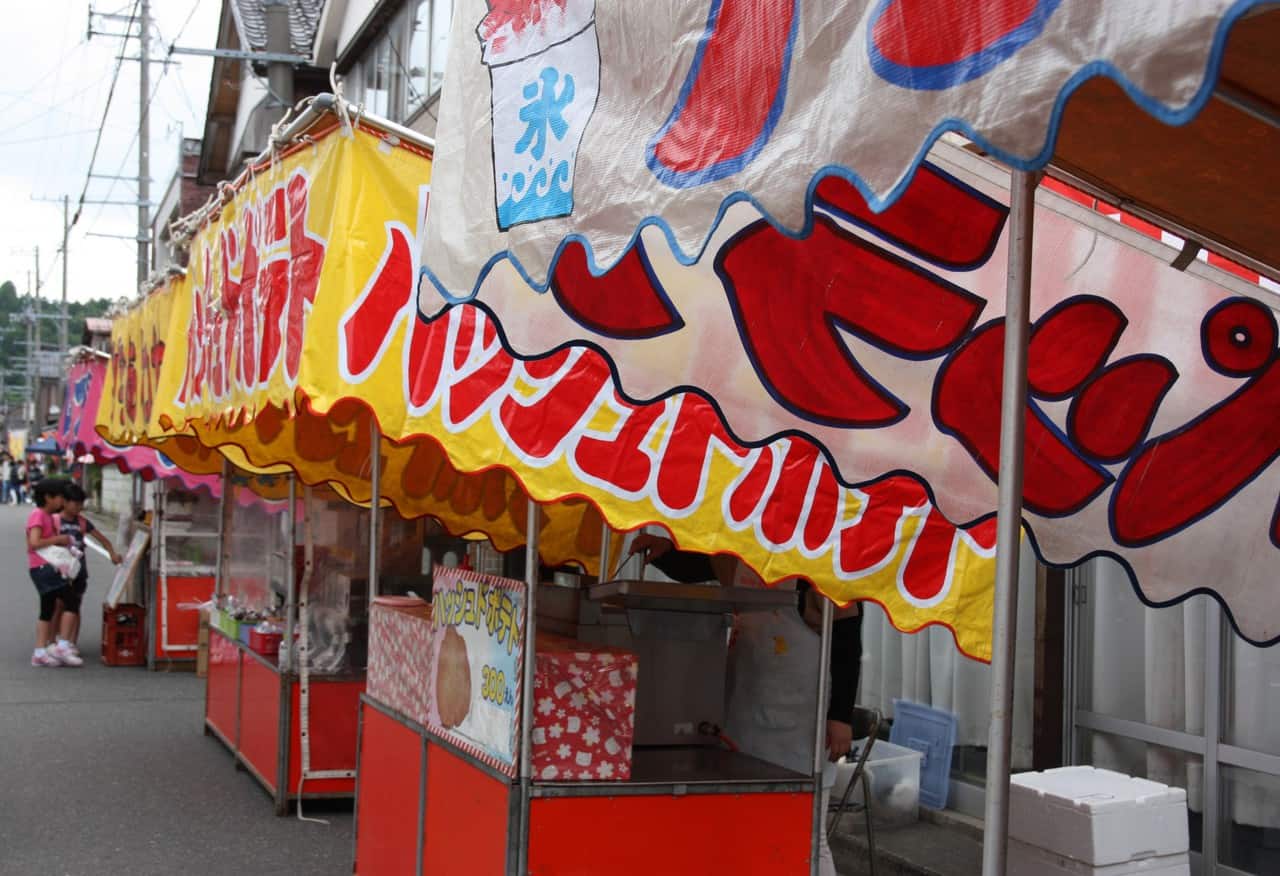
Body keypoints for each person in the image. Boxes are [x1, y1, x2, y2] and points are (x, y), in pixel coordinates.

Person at [630, 533, 862, 876]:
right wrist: (667, 552)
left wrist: (840, 717)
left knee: (808, 837)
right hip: (746, 709)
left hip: (801, 724)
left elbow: (847, 645)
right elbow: (699, 565)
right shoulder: (741, 550)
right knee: (751, 822)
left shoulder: (820, 559)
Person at [53, 483, 122, 654]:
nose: (78, 508)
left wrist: (113, 554)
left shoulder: (83, 522)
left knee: (75, 605)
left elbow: (103, 540)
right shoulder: (55, 521)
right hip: (59, 570)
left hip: (78, 571)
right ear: (65, 502)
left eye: (80, 504)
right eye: (75, 504)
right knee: (58, 605)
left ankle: (71, 642)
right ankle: (54, 638)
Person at [26, 479, 83, 667]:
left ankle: (40, 652)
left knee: (47, 610)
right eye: (60, 497)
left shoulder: (48, 516)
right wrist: (58, 538)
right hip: (44, 567)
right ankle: (63, 646)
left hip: (42, 567)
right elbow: (34, 542)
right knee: (71, 602)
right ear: (48, 498)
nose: (62, 501)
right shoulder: (38, 515)